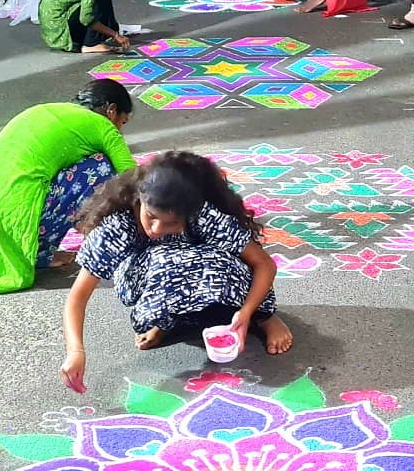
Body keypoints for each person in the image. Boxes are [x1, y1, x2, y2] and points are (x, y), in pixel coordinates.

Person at [60, 151, 293, 390]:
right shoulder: (115, 228)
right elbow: (77, 297)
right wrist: (75, 352)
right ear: (140, 197)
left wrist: (247, 312)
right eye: (150, 216)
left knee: (215, 264)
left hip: (206, 272)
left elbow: (264, 264)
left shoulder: (203, 215)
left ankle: (264, 318)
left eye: (172, 223)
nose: (157, 229)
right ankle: (166, 322)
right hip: (152, 274)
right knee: (163, 263)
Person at [0, 80, 136, 296]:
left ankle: (37, 250)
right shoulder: (102, 126)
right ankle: (39, 252)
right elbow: (133, 179)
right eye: (122, 122)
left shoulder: (45, 110)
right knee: (103, 167)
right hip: (6, 211)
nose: (120, 130)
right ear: (111, 111)